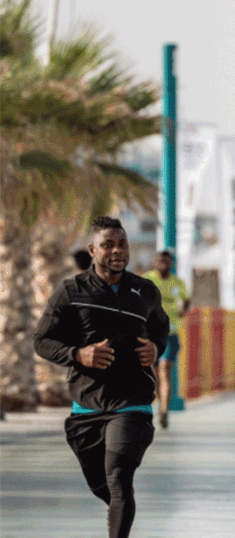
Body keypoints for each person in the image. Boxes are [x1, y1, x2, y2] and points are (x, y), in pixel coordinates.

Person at [34, 216, 169, 538]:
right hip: (86, 406)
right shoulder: (70, 292)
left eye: (122, 244)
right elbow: (42, 341)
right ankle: (119, 511)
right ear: (93, 250)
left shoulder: (145, 290)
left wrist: (156, 347)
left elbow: (161, 327)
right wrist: (77, 354)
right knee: (103, 484)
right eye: (108, 245)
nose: (117, 250)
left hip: (132, 402)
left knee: (120, 477)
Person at [142, 251, 191, 430]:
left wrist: (183, 310)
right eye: (160, 260)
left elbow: (186, 299)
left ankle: (164, 411)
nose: (163, 264)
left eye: (167, 261)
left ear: (171, 263)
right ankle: (157, 402)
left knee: (165, 371)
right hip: (149, 334)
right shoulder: (147, 280)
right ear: (155, 262)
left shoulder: (178, 282)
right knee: (152, 374)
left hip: (170, 333)